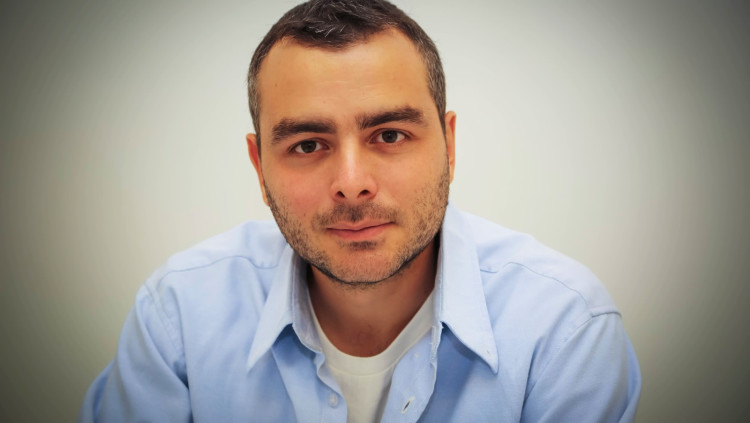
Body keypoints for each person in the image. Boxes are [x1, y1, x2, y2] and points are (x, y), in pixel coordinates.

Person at [78, 0, 641, 421]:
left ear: (449, 144)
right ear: (258, 165)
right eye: (308, 145)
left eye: (390, 135)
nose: (352, 185)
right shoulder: (178, 316)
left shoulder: (562, 329)